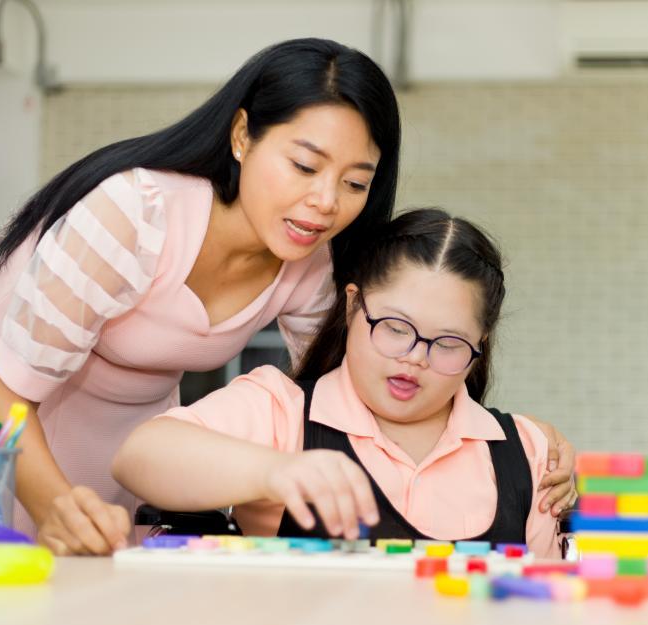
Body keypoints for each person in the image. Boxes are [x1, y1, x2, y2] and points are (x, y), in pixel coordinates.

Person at [0, 38, 575, 556]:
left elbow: (358, 391)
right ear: (242, 136)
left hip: (125, 435)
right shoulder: (131, 216)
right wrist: (53, 503)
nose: (326, 202)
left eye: (356, 182)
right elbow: (1, 397)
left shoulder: (307, 263)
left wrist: (516, 439)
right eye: (304, 166)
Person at [114, 209, 561, 557]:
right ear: (352, 306)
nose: (414, 358)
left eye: (447, 343)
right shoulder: (282, 412)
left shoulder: (526, 451)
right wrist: (275, 471)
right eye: (395, 327)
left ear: (480, 343)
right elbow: (139, 458)